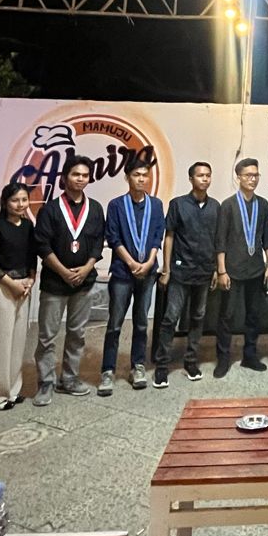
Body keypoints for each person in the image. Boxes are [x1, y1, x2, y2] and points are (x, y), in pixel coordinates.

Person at [32, 156, 105, 406]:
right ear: (65, 177)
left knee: (77, 333)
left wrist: (86, 268)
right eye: (75, 174)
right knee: (47, 336)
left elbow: (98, 242)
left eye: (84, 175)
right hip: (55, 282)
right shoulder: (50, 209)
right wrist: (63, 271)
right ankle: (45, 382)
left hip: (84, 282)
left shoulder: (95, 209)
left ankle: (70, 378)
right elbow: (42, 245)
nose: (80, 179)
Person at [101, 161, 163, 396]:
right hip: (122, 272)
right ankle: (108, 370)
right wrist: (131, 263)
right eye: (136, 174)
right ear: (127, 177)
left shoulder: (155, 205)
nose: (141, 179)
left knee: (142, 322)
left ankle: (138, 366)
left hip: (148, 272)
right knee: (115, 323)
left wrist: (148, 262)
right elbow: (113, 238)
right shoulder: (116, 205)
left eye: (145, 175)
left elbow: (157, 235)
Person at [154, 161, 219, 385]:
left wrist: (216, 269)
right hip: (180, 272)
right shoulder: (178, 204)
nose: (205, 179)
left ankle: (191, 361)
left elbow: (217, 240)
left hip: (204, 271)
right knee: (171, 317)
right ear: (191, 179)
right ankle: (162, 365)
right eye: (200, 175)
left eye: (208, 175)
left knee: (198, 317)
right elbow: (169, 236)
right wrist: (166, 269)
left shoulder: (215, 207)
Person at [213, 157, 268, 376]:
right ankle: (223, 359)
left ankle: (250, 356)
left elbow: (267, 238)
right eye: (248, 175)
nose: (253, 179)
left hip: (256, 270)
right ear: (238, 177)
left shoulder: (263, 204)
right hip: (232, 271)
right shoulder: (228, 205)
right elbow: (220, 240)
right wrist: (222, 270)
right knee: (227, 317)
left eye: (256, 175)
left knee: (253, 316)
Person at [0, 182, 36, 411]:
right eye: (15, 200)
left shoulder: (28, 226)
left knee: (17, 343)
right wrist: (11, 284)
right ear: (5, 203)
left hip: (23, 287)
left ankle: (12, 389)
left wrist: (31, 279)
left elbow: (32, 256)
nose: (20, 204)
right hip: (1, 287)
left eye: (24, 200)